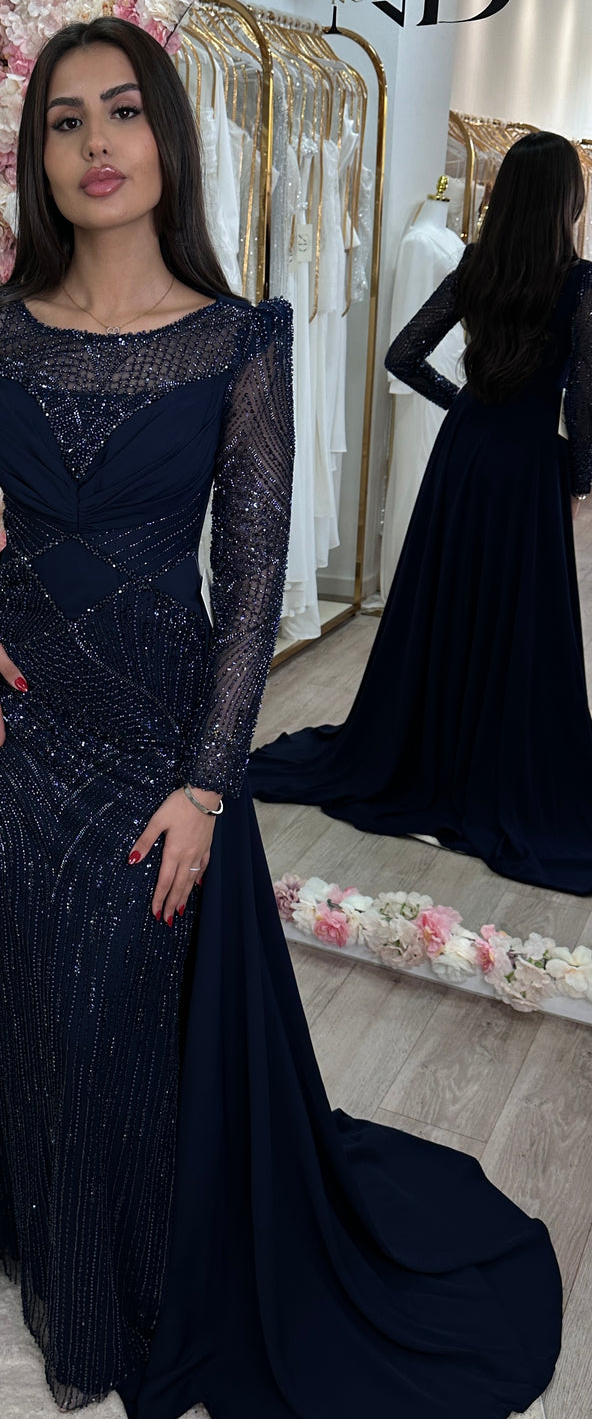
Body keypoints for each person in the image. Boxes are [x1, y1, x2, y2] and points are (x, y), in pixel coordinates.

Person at [0, 24, 561, 1419]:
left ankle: (131, 1243)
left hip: (159, 725)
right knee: (26, 977)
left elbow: (247, 583)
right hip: (8, 719)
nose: (95, 143)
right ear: (40, 156)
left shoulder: (240, 338)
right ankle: (33, 1199)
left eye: (121, 112)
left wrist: (206, 783)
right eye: (64, 121)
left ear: (168, 138)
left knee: (127, 979)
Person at [248, 131, 592, 895]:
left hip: (465, 456)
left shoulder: (476, 265)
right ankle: (493, 757)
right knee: (519, 615)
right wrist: (578, 478)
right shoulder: (579, 283)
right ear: (567, 200)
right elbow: (584, 401)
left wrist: (463, 404)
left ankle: (430, 743)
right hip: (527, 465)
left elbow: (403, 353)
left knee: (450, 598)